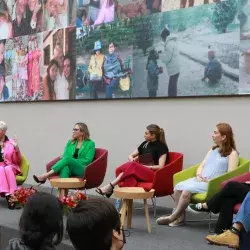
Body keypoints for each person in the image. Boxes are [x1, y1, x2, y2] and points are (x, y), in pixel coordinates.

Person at [156, 123, 239, 227]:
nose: (212, 135)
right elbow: (202, 165)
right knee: (178, 187)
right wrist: (199, 174)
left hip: (212, 184)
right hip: (200, 180)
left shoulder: (232, 153)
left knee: (186, 191)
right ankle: (180, 218)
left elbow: (230, 175)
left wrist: (211, 181)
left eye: (215, 133)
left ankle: (173, 216)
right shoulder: (213, 150)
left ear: (223, 137)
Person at [96, 124, 169, 198]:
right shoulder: (145, 144)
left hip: (153, 174)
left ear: (153, 135)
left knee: (133, 165)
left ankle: (110, 186)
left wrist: (145, 167)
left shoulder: (161, 147)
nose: (144, 135)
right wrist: (132, 159)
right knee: (130, 175)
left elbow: (160, 166)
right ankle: (126, 205)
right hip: (140, 172)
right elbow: (131, 155)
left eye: (146, 133)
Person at [33, 123, 95, 194]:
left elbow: (88, 160)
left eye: (76, 129)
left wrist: (72, 161)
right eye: (73, 129)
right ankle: (63, 198)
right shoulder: (70, 142)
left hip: (82, 169)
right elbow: (65, 156)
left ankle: (46, 175)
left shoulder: (90, 144)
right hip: (70, 168)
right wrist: (69, 161)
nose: (73, 131)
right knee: (64, 167)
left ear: (82, 132)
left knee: (68, 159)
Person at [0, 121, 22, 209]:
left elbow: (17, 161)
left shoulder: (11, 143)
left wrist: (17, 149)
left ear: (4, 131)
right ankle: (8, 195)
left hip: (11, 166)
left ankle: (13, 194)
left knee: (8, 168)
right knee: (1, 169)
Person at [156, 26, 180, 97]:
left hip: (174, 70)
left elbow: (167, 58)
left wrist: (159, 56)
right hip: (175, 69)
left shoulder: (169, 44)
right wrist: (162, 53)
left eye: (162, 38)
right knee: (172, 87)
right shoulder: (171, 42)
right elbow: (168, 54)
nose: (162, 40)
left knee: (171, 89)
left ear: (165, 37)